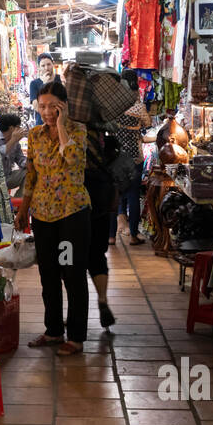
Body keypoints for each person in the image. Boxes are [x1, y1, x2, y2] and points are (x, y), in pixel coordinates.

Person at [14, 80, 90, 356]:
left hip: (71, 216)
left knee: (72, 274)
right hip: (43, 216)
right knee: (48, 275)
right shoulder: (34, 136)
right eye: (42, 106)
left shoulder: (78, 132)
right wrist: (24, 209)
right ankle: (54, 331)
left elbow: (73, 161)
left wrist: (61, 125)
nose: (46, 112)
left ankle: (77, 337)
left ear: (63, 106)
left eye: (52, 107)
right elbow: (32, 174)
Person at [110, 70, 152, 246]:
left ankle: (111, 236)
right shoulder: (138, 106)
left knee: (114, 196)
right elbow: (148, 124)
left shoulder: (113, 105)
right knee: (133, 195)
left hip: (116, 156)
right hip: (135, 156)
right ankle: (134, 235)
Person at [84, 124, 119, 330]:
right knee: (97, 254)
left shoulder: (70, 128)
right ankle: (103, 299)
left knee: (72, 259)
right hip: (101, 195)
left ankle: (75, 311)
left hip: (78, 197)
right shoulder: (102, 125)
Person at [0, 113, 27, 191]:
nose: (20, 129)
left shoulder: (16, 142)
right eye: (18, 127)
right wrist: (13, 140)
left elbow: (20, 159)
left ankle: (20, 201)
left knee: (29, 172)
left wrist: (29, 162)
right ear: (11, 128)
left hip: (8, 177)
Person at [28, 53, 56, 124]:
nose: (46, 68)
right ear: (39, 67)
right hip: (41, 125)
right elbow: (36, 107)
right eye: (43, 66)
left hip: (58, 125)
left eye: (49, 64)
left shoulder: (60, 80)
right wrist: (44, 85)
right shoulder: (34, 84)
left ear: (53, 64)